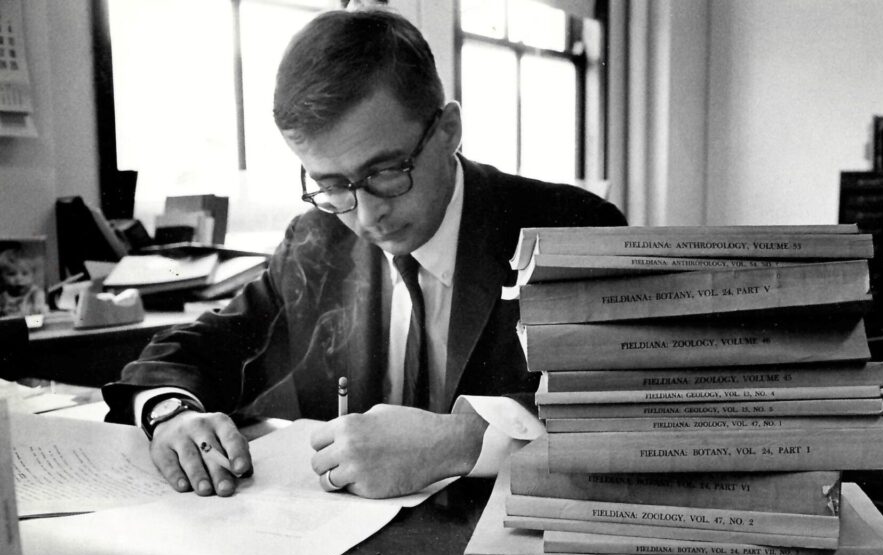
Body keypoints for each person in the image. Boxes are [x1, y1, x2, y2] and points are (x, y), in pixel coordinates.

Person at [102, 7, 626, 499]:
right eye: (332, 184)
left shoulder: (572, 229)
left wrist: (461, 442)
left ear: (448, 132)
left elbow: (635, 416)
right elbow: (194, 350)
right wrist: (170, 411)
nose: (367, 215)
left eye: (385, 173)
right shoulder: (318, 242)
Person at [0, 244, 48, 317]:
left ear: (33, 276)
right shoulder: (2, 297)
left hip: (32, 325)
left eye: (25, 274)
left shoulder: (35, 294)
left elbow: (40, 311)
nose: (19, 279)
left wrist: (39, 308)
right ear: (1, 277)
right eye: (11, 274)